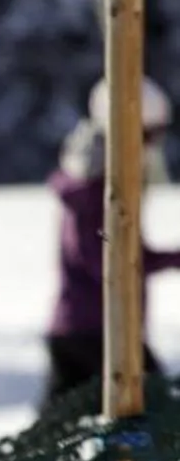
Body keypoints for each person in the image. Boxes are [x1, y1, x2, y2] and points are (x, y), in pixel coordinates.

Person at [43, 75, 180, 405]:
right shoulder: (97, 188)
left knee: (67, 428)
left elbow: (118, 253)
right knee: (154, 409)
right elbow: (104, 259)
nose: (152, 147)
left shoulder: (99, 182)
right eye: (149, 136)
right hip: (98, 329)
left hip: (80, 327)